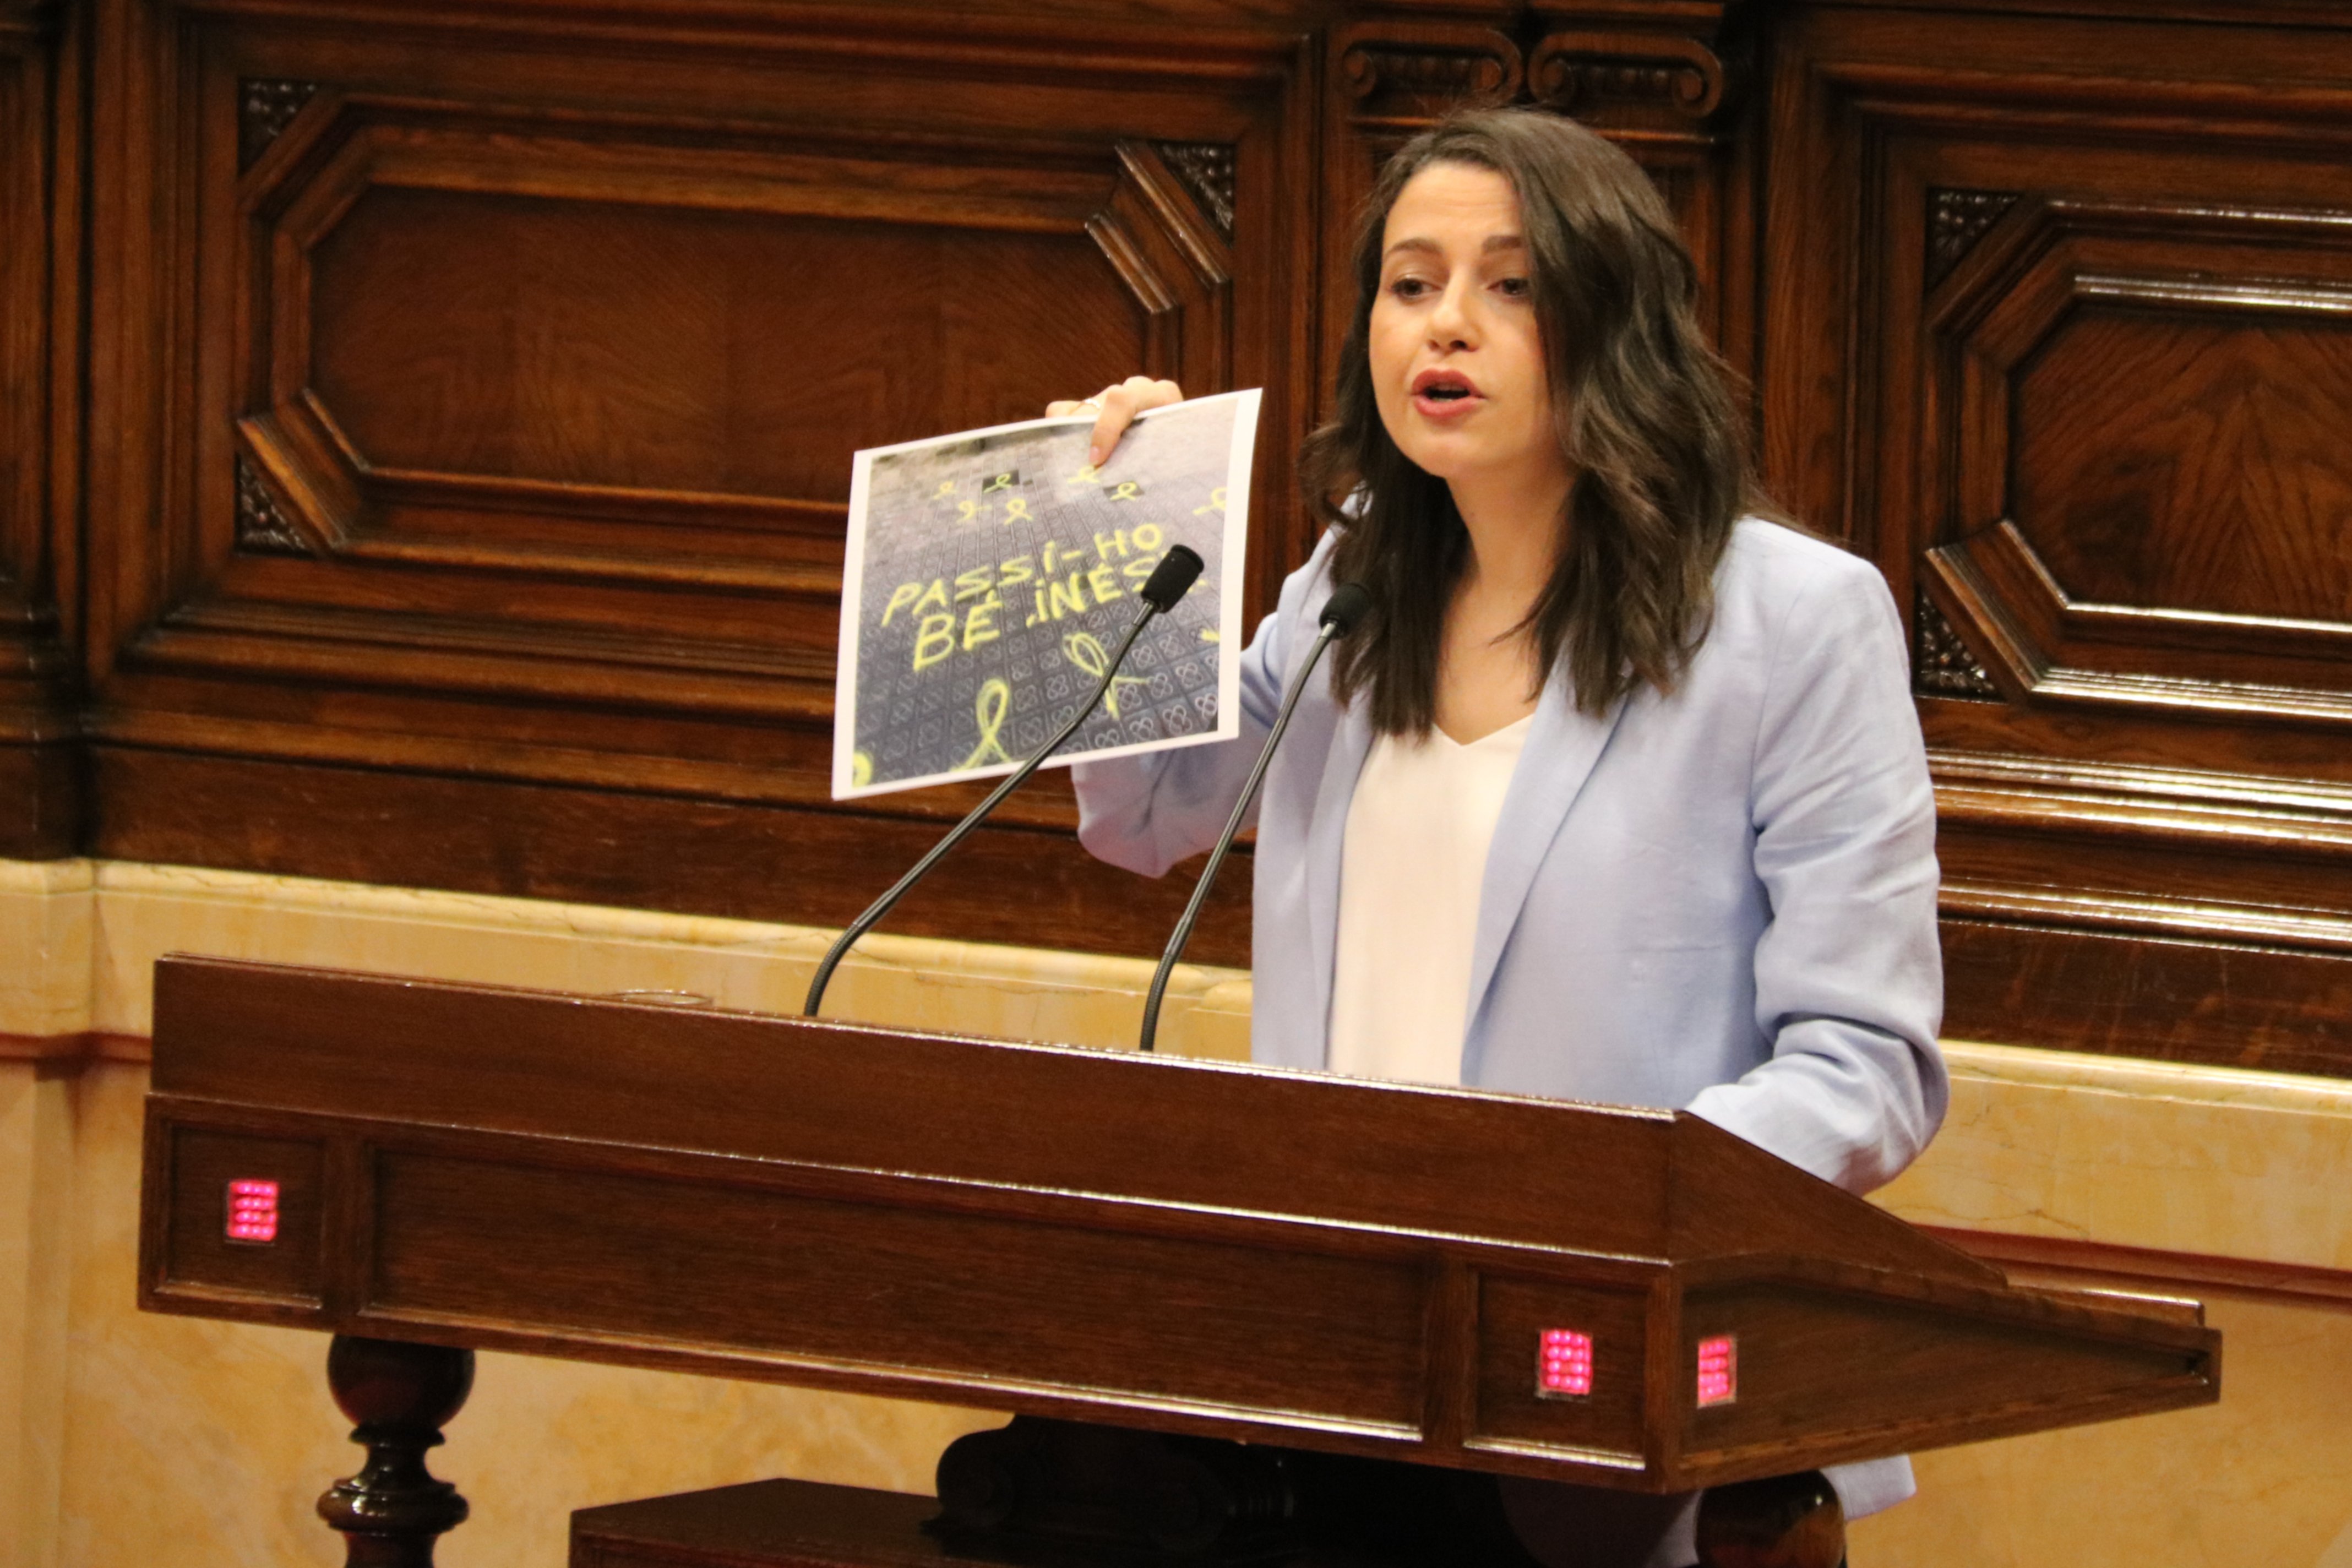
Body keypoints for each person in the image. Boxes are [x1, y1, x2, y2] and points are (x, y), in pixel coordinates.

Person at [1053, 107, 1942, 1568]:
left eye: (1511, 284)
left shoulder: (1793, 621)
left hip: (1622, 1417)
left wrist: (1581, 1221)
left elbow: (1868, 1069)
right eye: (1411, 284)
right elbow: (1149, 818)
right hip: (1332, 1384)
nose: (1446, 324)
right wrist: (1136, 535)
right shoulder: (1350, 591)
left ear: (1616, 322)